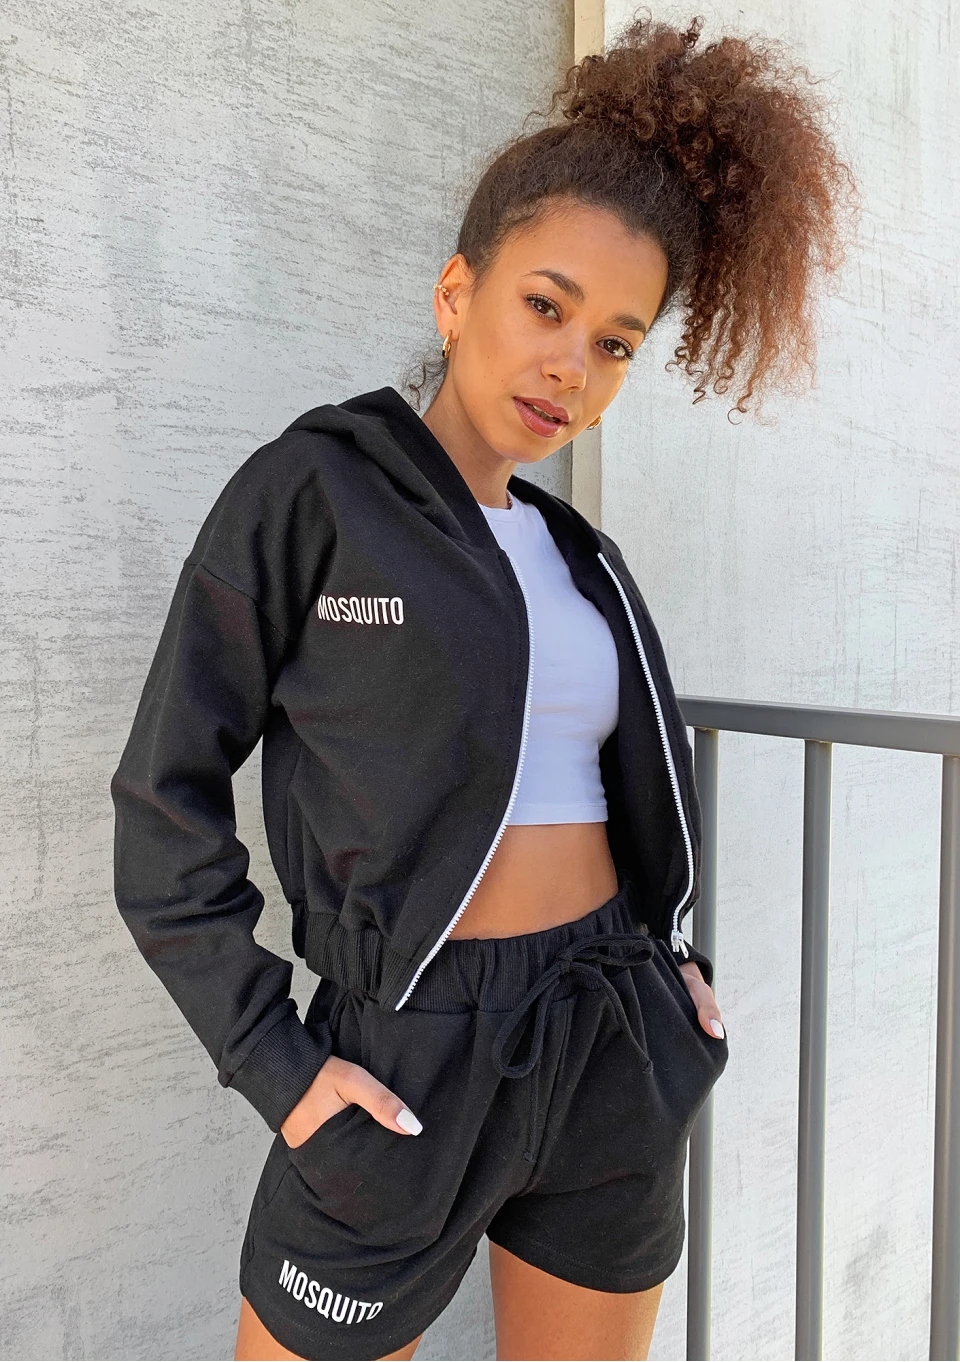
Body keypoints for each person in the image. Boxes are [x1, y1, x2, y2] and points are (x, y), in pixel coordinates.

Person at [110, 13, 854, 1362]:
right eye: (546, 306)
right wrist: (275, 1061)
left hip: (613, 1038)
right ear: (458, 294)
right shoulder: (315, 492)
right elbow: (163, 797)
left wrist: (672, 968)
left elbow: (619, 793)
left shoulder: (581, 558)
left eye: (618, 343)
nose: (572, 365)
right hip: (408, 1055)